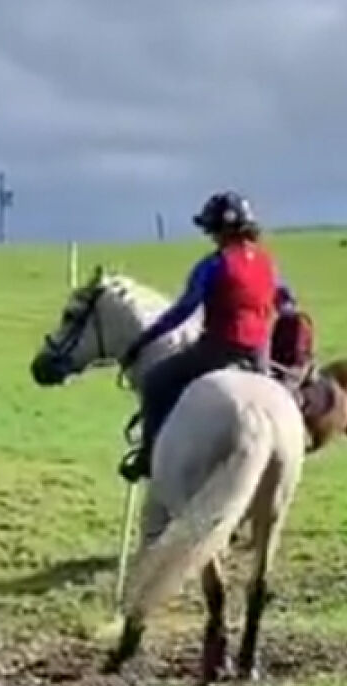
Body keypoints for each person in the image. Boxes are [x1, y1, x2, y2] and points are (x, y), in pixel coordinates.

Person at [117, 191, 294, 482]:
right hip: (259, 354)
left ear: (222, 229)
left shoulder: (215, 264)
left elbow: (185, 309)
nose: (211, 236)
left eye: (212, 230)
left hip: (219, 348)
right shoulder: (267, 263)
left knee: (157, 381)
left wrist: (144, 340)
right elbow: (286, 301)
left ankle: (147, 457)